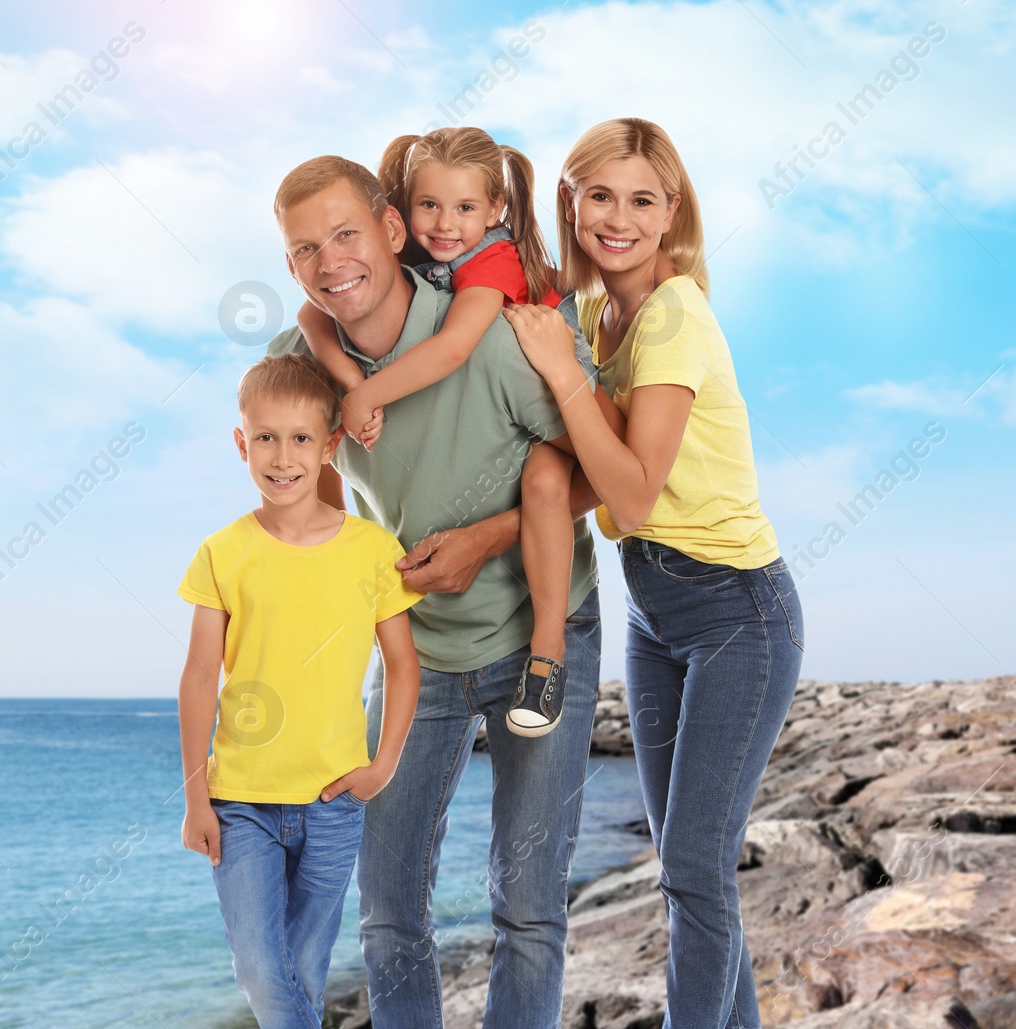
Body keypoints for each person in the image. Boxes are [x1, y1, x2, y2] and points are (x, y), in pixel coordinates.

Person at [267, 154, 614, 1029]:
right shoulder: (295, 362)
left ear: (391, 232)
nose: (330, 259)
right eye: (305, 248)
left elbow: (609, 473)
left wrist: (484, 538)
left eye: (347, 233)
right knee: (387, 912)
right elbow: (304, 489)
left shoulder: (494, 338)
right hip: (412, 645)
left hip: (540, 627)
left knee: (529, 908)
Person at [508, 117, 805, 1029]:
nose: (619, 217)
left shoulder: (674, 315)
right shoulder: (602, 315)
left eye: (642, 199)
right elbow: (593, 476)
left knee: (693, 870)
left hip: (736, 615)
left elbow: (631, 497)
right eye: (599, 195)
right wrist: (487, 540)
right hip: (654, 615)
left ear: (672, 212)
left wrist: (563, 374)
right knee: (694, 878)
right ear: (571, 201)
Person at [296, 127, 577, 739]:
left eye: (466, 209)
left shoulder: (490, 265)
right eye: (430, 206)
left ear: (496, 211)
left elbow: (452, 350)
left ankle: (548, 657)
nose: (445, 224)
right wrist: (346, 378)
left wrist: (368, 393)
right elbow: (308, 315)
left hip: (549, 366)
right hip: (422, 637)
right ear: (402, 216)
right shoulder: (422, 257)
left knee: (548, 485)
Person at [176, 353, 423, 1029]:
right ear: (241, 443)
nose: (281, 457)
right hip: (240, 804)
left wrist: (382, 767)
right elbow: (199, 676)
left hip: (332, 801)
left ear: (329, 447)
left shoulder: (370, 549)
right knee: (261, 970)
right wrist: (196, 795)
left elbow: (404, 664)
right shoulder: (221, 553)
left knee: (304, 976)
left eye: (301, 438)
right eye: (265, 437)